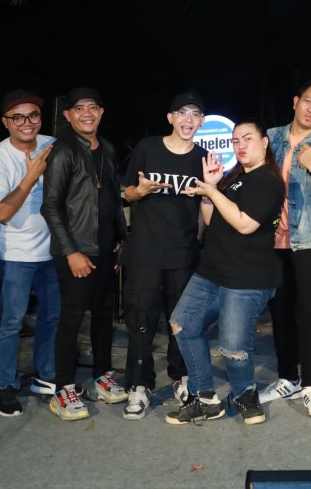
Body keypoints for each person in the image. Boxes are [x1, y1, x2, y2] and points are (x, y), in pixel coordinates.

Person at [166, 120, 286, 425]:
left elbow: (245, 224)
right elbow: (212, 219)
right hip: (212, 271)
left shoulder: (268, 180)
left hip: (247, 278)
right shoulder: (236, 178)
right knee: (183, 324)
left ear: (264, 142)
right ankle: (204, 397)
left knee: (233, 347)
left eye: (247, 138)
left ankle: (245, 394)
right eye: (235, 141)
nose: (240, 145)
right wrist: (211, 191)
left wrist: (211, 190)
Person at [118, 90, 208, 421]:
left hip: (183, 253)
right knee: (140, 321)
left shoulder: (203, 158)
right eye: (182, 112)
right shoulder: (147, 148)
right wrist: (139, 192)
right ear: (170, 118)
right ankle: (139, 385)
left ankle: (181, 378)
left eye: (195, 114)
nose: (188, 119)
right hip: (145, 252)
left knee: (180, 323)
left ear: (201, 122)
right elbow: (127, 192)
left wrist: (197, 241)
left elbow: (206, 206)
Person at [40, 87, 129, 421]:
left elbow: (111, 197)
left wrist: (119, 237)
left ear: (101, 112)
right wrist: (71, 252)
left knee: (104, 314)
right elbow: (51, 206)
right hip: (76, 251)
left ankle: (101, 377)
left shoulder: (106, 148)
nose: (87, 113)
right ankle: (63, 389)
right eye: (79, 108)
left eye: (93, 107)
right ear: (68, 115)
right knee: (72, 317)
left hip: (105, 248)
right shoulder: (63, 151)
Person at [260, 81, 311, 420]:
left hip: (309, 240)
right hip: (270, 240)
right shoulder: (270, 138)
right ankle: (287, 378)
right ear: (296, 102)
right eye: (308, 101)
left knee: (306, 312)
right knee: (279, 311)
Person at [0, 89, 57, 417]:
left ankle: (46, 375)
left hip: (53, 251)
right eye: (18, 117)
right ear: (5, 122)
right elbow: (1, 213)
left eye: (33, 115)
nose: (27, 122)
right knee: (12, 321)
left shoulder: (51, 145)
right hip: (16, 253)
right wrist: (31, 176)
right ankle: (5, 385)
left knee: (52, 316)